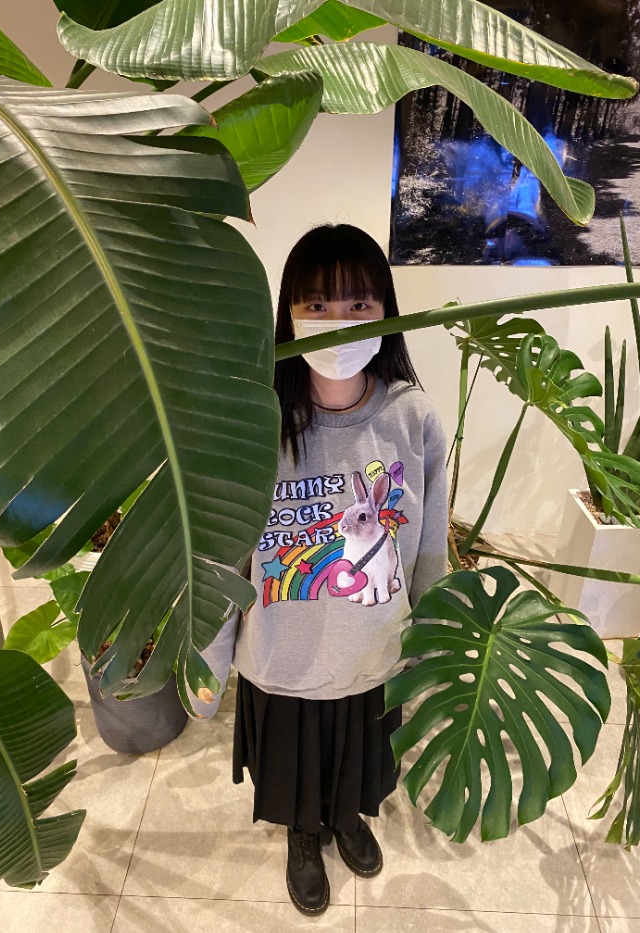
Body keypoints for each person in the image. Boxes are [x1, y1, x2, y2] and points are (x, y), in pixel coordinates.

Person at [187, 223, 450, 916]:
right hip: (284, 652)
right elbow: (223, 554)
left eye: (359, 304)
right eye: (317, 304)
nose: (338, 322)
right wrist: (208, 657)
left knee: (359, 752)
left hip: (371, 647)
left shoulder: (413, 418)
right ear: (289, 314)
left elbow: (428, 546)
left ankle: (347, 817)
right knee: (295, 761)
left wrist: (439, 645)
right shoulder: (255, 423)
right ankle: (303, 835)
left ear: (386, 311)